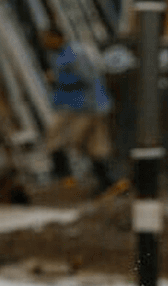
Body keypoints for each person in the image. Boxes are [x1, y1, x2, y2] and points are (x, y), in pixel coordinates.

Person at [41, 29, 115, 193]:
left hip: (84, 106)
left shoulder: (75, 54)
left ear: (58, 37)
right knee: (94, 144)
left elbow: (88, 77)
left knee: (59, 138)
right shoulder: (61, 54)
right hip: (82, 105)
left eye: (48, 39)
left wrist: (57, 79)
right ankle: (107, 182)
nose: (45, 43)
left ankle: (65, 177)